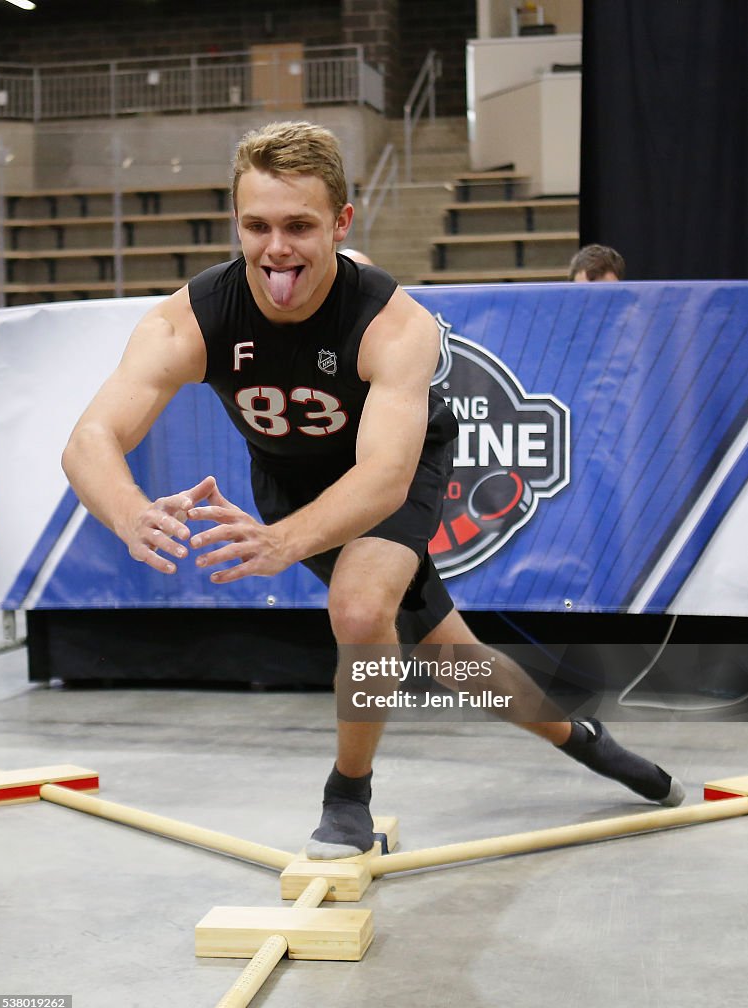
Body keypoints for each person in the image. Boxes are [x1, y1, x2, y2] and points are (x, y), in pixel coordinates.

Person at [62, 121, 683, 860]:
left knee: (360, 608)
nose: (276, 250)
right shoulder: (191, 318)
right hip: (290, 480)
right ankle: (580, 738)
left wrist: (280, 543)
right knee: (451, 656)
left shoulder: (393, 322)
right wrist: (129, 511)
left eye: (300, 226)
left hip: (399, 468)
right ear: (236, 220)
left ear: (342, 223)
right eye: (256, 226)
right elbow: (88, 441)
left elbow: (384, 477)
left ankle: (346, 794)